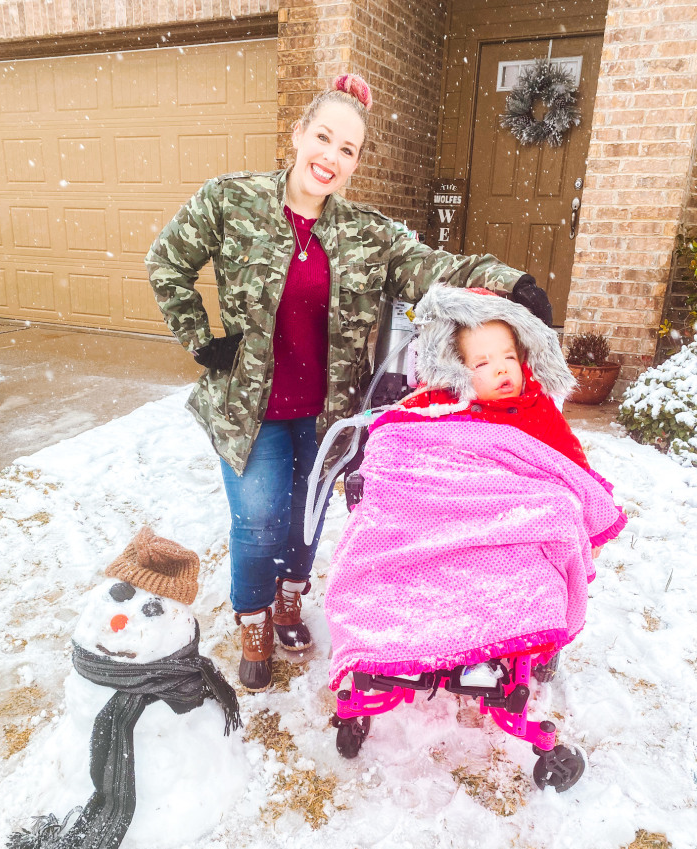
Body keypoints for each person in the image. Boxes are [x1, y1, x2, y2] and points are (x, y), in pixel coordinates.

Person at [145, 73, 552, 693]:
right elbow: (166, 261)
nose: (330, 158)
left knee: (306, 519)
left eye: (347, 149)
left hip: (329, 412)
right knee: (257, 520)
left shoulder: (368, 233)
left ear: (357, 162)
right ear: (298, 134)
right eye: (324, 138)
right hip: (248, 408)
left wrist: (512, 282)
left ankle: (289, 599)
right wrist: (199, 335)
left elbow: (439, 269)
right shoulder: (230, 201)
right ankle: (252, 618)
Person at [396, 286, 591, 471]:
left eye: (509, 357)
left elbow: (574, 466)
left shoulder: (539, 411)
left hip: (525, 500)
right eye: (482, 364)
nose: (501, 368)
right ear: (456, 371)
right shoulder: (437, 404)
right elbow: (398, 440)